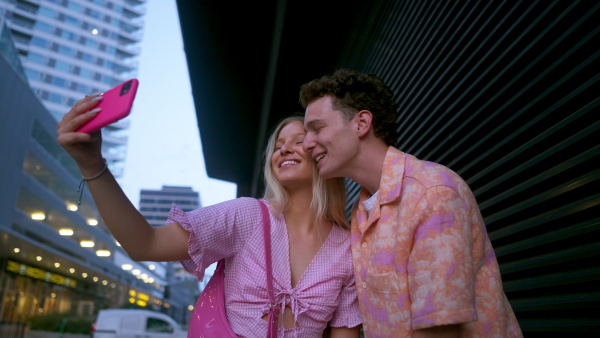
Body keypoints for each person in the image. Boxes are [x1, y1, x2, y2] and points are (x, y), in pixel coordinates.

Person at [57, 97, 362, 337]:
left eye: (298, 141)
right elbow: (146, 244)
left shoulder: (348, 249)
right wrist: (92, 165)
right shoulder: (247, 216)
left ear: (321, 152)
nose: (284, 150)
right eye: (278, 146)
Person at [299, 69, 522, 337]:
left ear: (361, 123)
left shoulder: (432, 193)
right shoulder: (361, 212)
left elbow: (439, 332)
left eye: (317, 128)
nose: (306, 144)